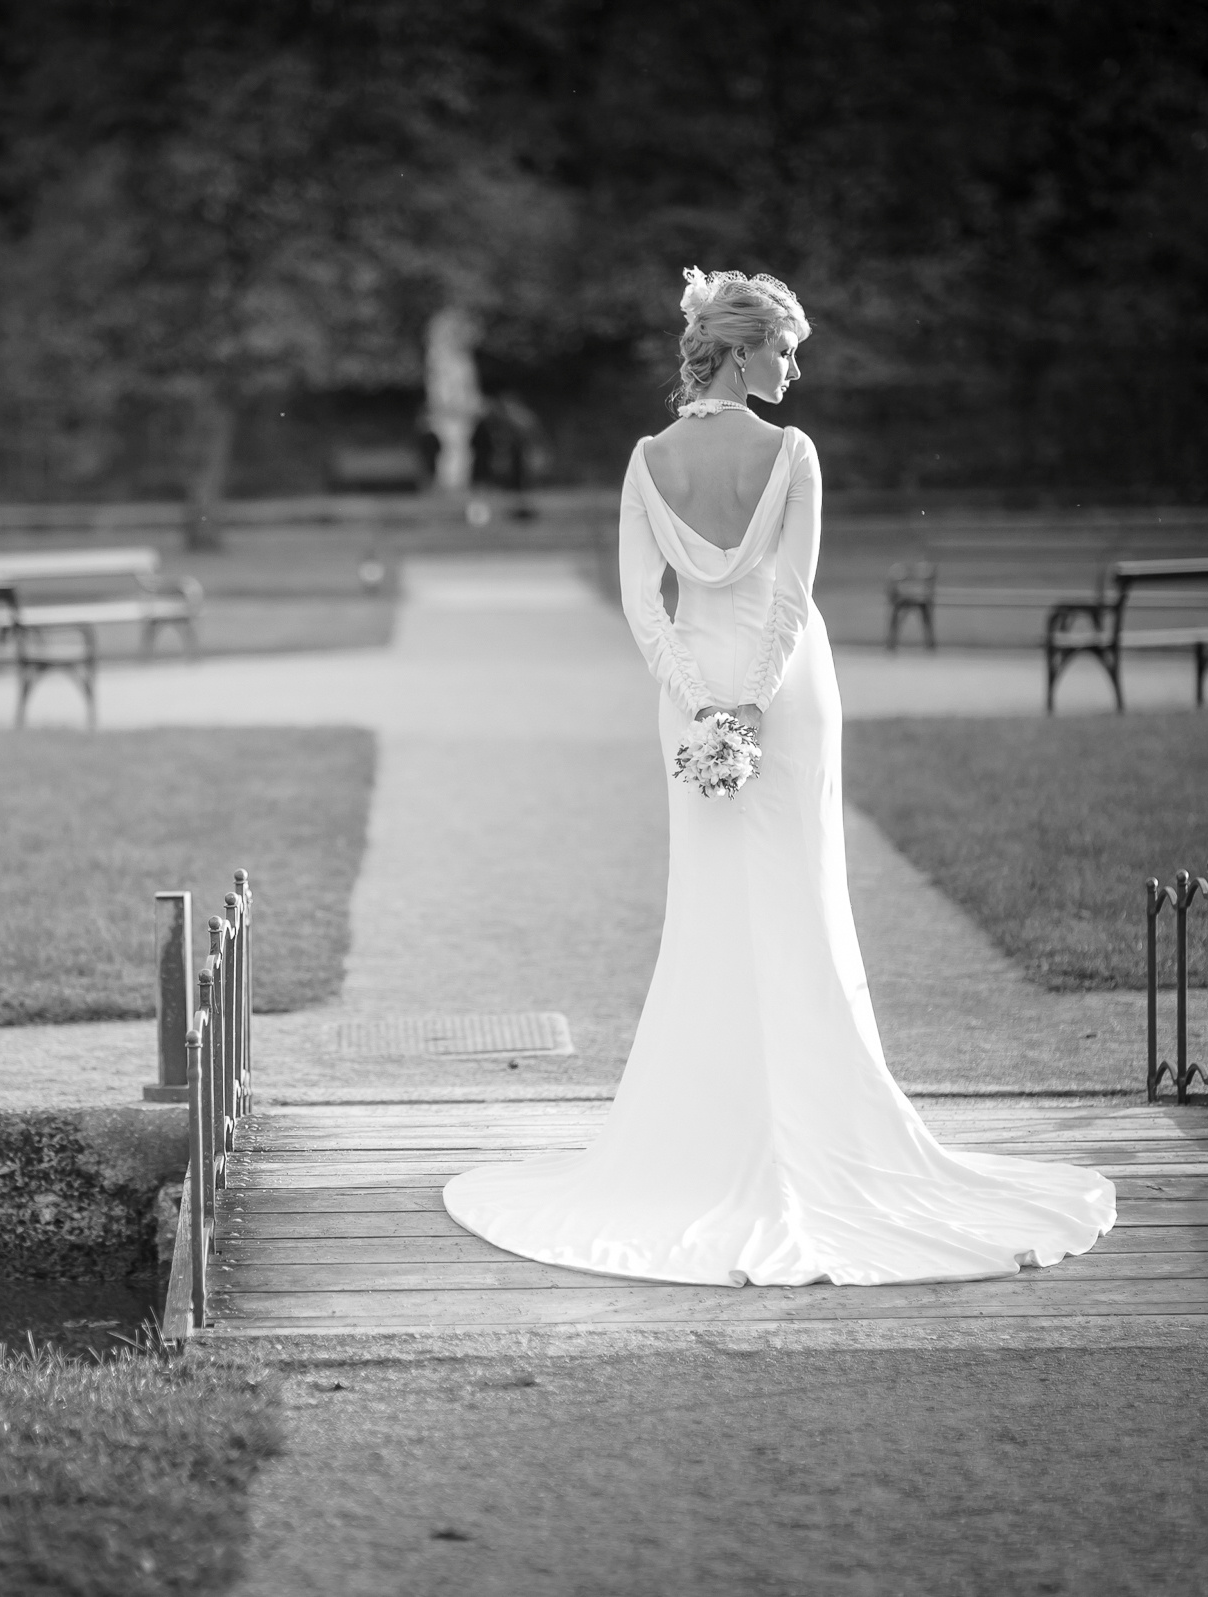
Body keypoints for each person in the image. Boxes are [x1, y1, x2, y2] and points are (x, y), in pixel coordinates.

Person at [443, 269, 1114, 1286]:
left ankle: (710, 1130)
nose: (794, 368)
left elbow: (642, 603)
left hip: (693, 692)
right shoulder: (792, 454)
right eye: (786, 349)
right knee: (797, 895)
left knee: (716, 899)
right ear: (741, 349)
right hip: (785, 693)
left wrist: (701, 699)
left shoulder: (646, 459)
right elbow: (791, 600)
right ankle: (810, 1119)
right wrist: (753, 703)